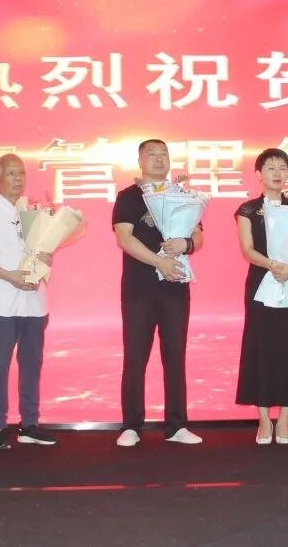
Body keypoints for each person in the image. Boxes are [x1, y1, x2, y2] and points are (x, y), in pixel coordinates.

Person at [112, 139, 204, 447]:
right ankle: (131, 426)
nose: (159, 159)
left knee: (175, 357)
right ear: (140, 161)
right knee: (135, 357)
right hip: (139, 289)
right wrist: (159, 261)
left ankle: (177, 426)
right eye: (151, 154)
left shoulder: (182, 194)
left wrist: (185, 245)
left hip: (175, 288)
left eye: (164, 154)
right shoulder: (129, 196)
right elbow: (124, 238)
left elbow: (198, 236)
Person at [0, 154, 57, 450]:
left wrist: (45, 258)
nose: (18, 179)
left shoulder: (35, 212)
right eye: (12, 173)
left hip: (34, 302)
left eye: (22, 173)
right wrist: (10, 276)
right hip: (0, 302)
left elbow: (45, 252)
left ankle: (29, 424)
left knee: (31, 365)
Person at [234, 148, 288, 445]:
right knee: (260, 345)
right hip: (261, 281)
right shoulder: (248, 210)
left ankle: (284, 417)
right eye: (270, 167)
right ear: (259, 174)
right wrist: (273, 265)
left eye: (282, 168)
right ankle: (263, 418)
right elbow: (248, 250)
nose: (277, 173)